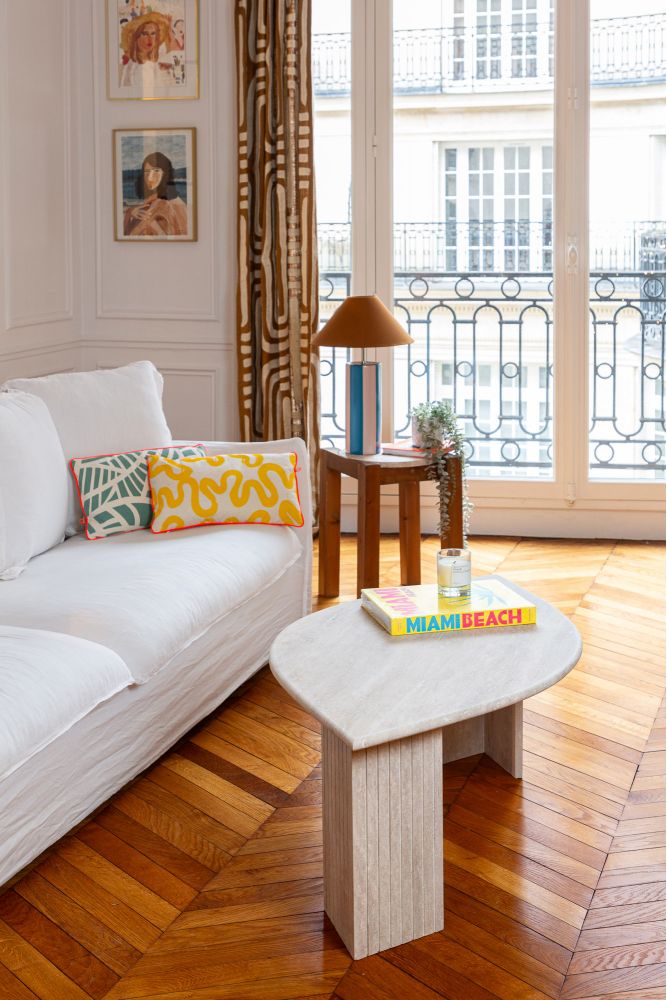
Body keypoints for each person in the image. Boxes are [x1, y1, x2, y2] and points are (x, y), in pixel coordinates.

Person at [123, 151, 188, 238]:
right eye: (147, 171)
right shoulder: (152, 200)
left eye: (156, 171)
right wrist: (129, 212)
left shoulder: (170, 204)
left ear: (165, 173)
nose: (150, 178)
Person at [119, 12, 172, 88]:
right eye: (145, 34)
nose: (150, 38)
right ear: (136, 37)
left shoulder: (150, 62)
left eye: (153, 33)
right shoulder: (136, 67)